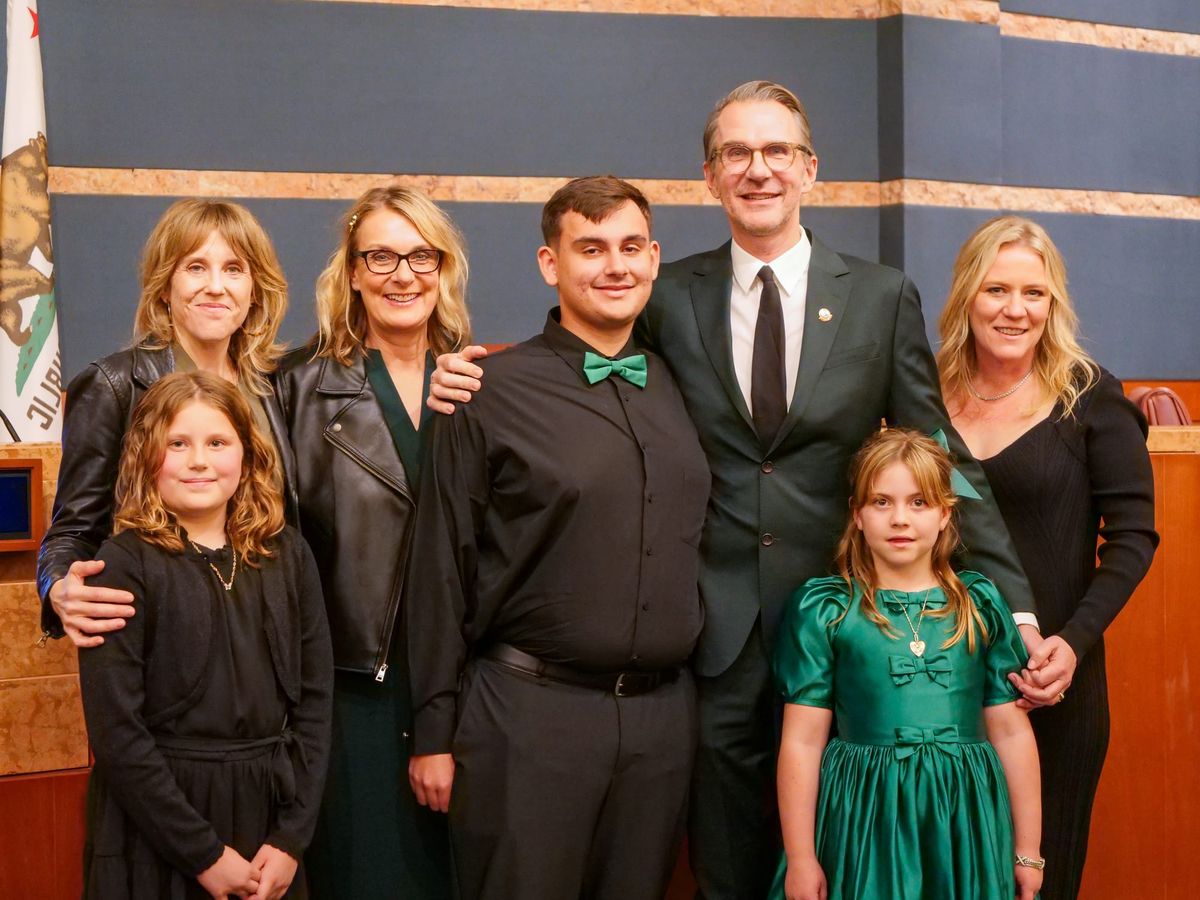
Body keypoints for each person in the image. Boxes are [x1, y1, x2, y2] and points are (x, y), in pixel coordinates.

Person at [429, 81, 1039, 899]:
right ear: (710, 176)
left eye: (777, 150)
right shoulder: (666, 294)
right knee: (721, 863)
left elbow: (938, 451)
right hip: (708, 635)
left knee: (846, 855)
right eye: (737, 153)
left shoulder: (880, 295)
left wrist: (1016, 606)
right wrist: (469, 374)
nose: (759, 169)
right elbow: (588, 363)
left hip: (846, 627)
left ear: (809, 168)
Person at [406, 175, 711, 900]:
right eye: (591, 248)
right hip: (529, 718)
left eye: (631, 247)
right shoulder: (483, 392)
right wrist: (433, 731)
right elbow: (440, 568)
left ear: (654, 258)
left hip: (663, 725)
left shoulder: (684, 384)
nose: (616, 266)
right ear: (551, 263)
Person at [937, 215, 1158, 898]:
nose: (1015, 309)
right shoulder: (924, 394)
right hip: (937, 683)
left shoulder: (1090, 396)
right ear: (966, 295)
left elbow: (1133, 537)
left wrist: (1073, 643)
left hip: (1050, 685)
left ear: (1053, 302)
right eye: (996, 289)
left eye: (1034, 293)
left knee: (1038, 883)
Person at [277, 185, 470, 898]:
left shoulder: (481, 382)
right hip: (356, 687)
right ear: (353, 271)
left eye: (421, 256)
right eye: (381, 256)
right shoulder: (298, 389)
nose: (403, 274)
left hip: (468, 687)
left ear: (443, 268)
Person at [77, 371, 332, 900]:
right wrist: (203, 854)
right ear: (146, 456)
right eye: (177, 444)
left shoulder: (287, 554)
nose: (199, 460)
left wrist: (291, 838)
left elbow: (316, 704)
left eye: (217, 442)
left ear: (247, 455)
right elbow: (117, 734)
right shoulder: (122, 566)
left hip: (269, 819)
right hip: (161, 822)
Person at [770, 428, 1042, 900]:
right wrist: (800, 857)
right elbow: (802, 741)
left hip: (966, 820)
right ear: (857, 514)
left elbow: (1012, 732)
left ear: (945, 513)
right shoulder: (827, 609)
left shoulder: (979, 603)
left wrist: (1028, 851)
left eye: (919, 502)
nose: (900, 518)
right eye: (881, 502)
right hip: (865, 817)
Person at [37, 198, 297, 648]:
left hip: (266, 634)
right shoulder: (113, 385)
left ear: (255, 289)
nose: (216, 286)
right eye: (196, 267)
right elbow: (73, 530)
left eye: (234, 269)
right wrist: (59, 587)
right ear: (164, 285)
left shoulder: (277, 387)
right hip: (164, 639)